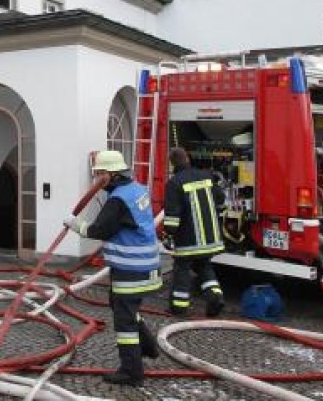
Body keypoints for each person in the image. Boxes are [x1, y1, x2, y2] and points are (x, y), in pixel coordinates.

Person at [64, 150, 161, 387]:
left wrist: (75, 225)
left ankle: (132, 372)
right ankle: (149, 346)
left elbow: (99, 230)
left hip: (131, 270)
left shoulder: (118, 200)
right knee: (123, 307)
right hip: (147, 266)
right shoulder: (136, 189)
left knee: (124, 321)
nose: (96, 179)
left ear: (109, 174)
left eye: (98, 174)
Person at [163, 147, 225, 317]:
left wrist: (168, 234)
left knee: (182, 270)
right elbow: (220, 199)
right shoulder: (206, 175)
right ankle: (215, 296)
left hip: (188, 239)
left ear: (172, 164)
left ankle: (179, 307)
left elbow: (172, 217)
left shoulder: (174, 183)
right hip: (210, 237)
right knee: (204, 266)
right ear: (188, 159)